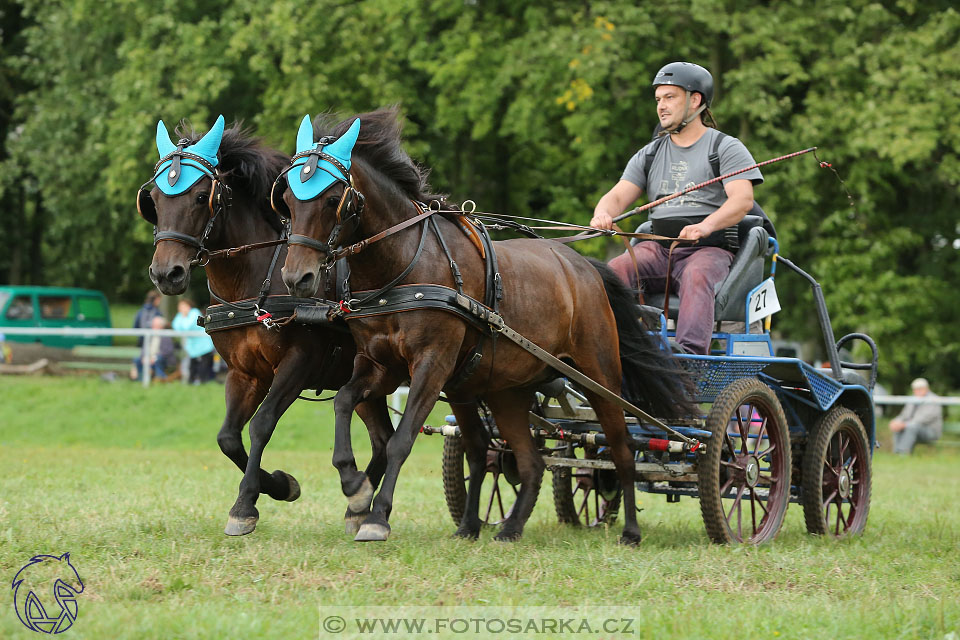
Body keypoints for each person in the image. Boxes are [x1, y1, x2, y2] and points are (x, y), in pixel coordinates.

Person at [590, 61, 764, 354]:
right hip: (657, 249)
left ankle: (688, 359)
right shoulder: (651, 153)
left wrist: (705, 226)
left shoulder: (724, 147)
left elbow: (742, 201)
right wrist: (602, 213)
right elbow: (617, 196)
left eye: (670, 97)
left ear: (695, 100)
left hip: (708, 250)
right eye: (658, 99)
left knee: (698, 276)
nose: (661, 106)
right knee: (614, 271)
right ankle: (614, 350)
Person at [889, 378, 943, 454]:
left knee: (911, 427)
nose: (917, 391)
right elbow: (904, 415)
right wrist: (896, 421)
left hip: (930, 432)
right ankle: (896, 452)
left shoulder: (933, 399)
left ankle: (903, 453)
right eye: (915, 389)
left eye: (919, 389)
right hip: (912, 427)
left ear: (926, 388)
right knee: (898, 426)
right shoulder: (912, 399)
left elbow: (924, 419)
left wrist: (904, 424)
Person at [172, 299, 215, 384]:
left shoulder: (194, 313)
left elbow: (188, 326)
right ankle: (191, 384)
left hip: (204, 346)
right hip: (193, 347)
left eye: (183, 306)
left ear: (189, 306)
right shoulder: (181, 315)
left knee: (203, 367)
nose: (181, 309)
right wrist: (183, 317)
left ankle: (204, 384)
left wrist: (183, 317)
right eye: (180, 307)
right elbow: (175, 326)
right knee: (192, 367)